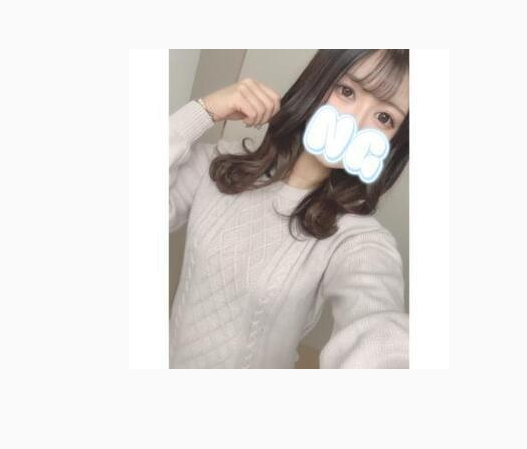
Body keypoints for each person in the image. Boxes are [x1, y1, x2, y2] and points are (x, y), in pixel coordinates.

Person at [169, 49, 410, 368]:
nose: (354, 124)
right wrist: (203, 110)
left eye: (385, 118)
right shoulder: (218, 166)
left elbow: (377, 324)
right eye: (346, 91)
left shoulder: (357, 239)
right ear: (317, 84)